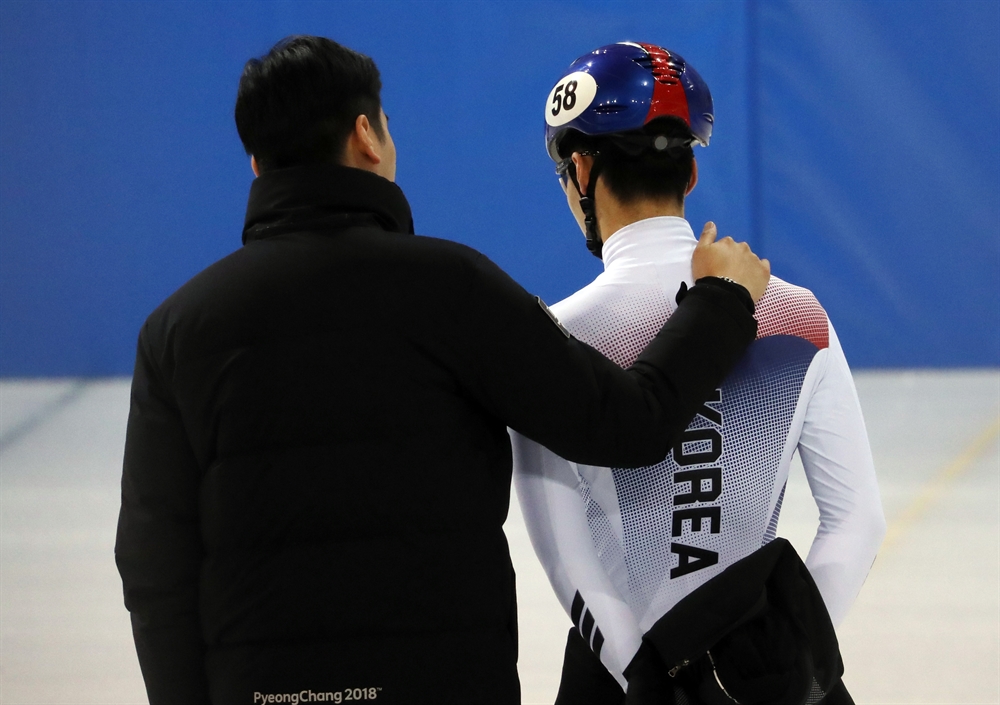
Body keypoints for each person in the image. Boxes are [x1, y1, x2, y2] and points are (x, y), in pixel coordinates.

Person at [114, 36, 771, 705]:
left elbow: (152, 570)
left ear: (258, 165)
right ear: (367, 136)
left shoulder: (175, 333)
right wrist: (722, 300)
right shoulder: (455, 289)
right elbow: (628, 425)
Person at [510, 42, 886, 703]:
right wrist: (784, 663)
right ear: (688, 175)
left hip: (627, 679)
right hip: (769, 679)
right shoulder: (798, 314)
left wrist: (650, 680)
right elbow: (858, 520)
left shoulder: (551, 339)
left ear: (580, 168)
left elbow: (568, 559)